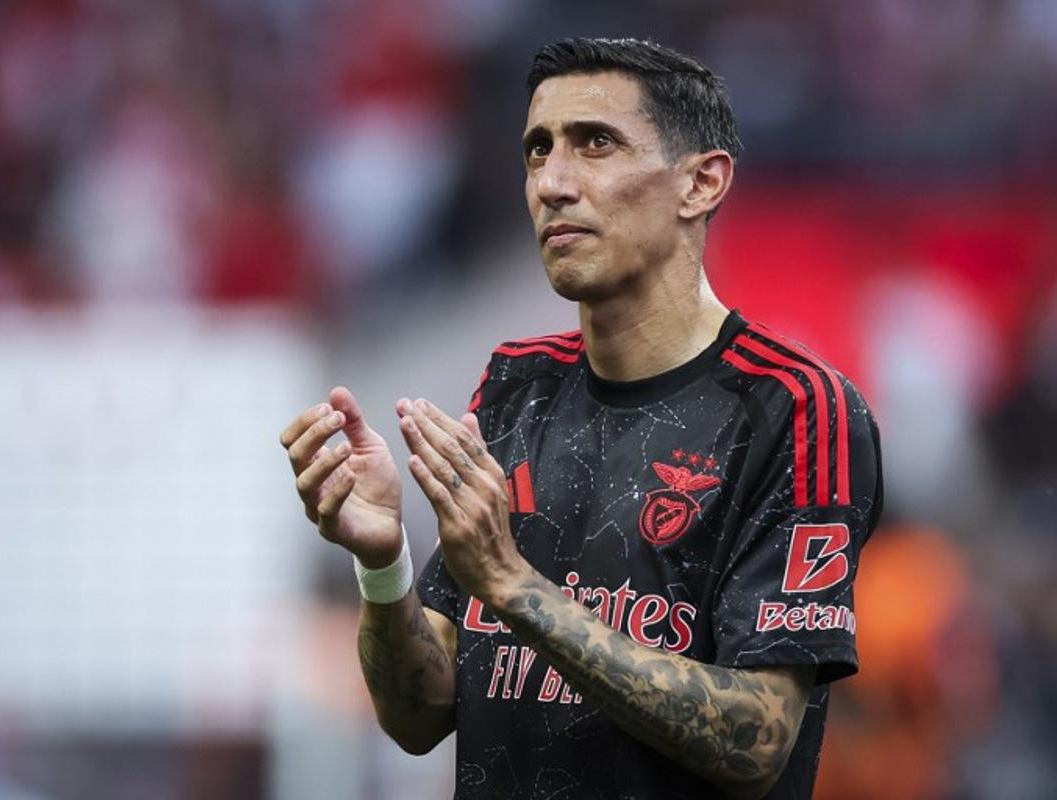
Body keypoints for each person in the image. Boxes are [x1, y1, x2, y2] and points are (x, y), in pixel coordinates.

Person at [280, 37, 883, 799]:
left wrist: (513, 587)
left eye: (595, 144)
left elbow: (753, 740)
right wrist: (382, 563)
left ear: (701, 183)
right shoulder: (517, 384)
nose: (552, 183)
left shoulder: (790, 407)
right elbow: (418, 716)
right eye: (538, 151)